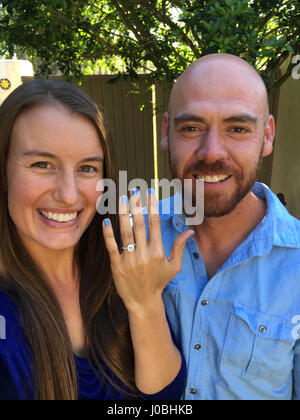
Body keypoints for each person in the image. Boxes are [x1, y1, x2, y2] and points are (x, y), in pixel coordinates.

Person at [0, 79, 193, 400]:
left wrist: (145, 303)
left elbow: (166, 399)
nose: (67, 194)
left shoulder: (122, 267)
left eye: (87, 168)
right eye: (42, 164)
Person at [158, 53, 300, 400]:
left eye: (237, 128)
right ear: (166, 133)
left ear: (267, 136)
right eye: (191, 128)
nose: (211, 152)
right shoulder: (136, 233)